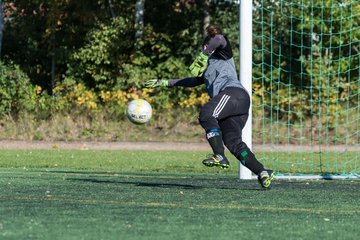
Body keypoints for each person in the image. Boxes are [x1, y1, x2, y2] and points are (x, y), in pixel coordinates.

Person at [145, 25, 274, 189]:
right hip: (235, 105)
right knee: (233, 143)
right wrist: (164, 82)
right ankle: (262, 172)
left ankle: (219, 155)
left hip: (233, 94)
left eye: (204, 48)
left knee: (207, 113)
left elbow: (219, 39)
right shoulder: (207, 68)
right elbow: (192, 81)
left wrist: (203, 55)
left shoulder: (222, 54)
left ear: (206, 46)